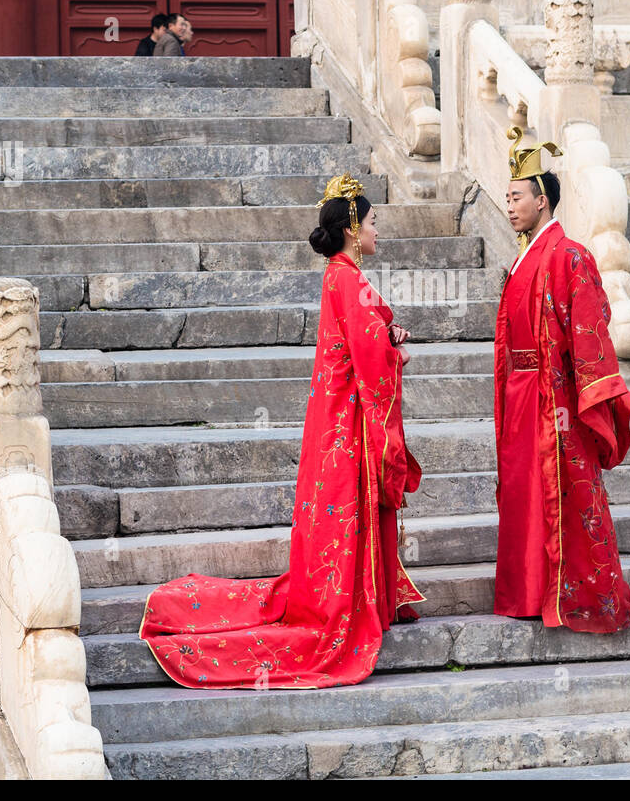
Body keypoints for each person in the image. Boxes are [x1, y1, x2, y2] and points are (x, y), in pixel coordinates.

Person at [139, 174, 424, 688]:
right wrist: (395, 349)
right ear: (354, 229)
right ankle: (348, 607)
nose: (379, 231)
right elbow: (371, 358)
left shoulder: (339, 276)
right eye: (374, 222)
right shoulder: (349, 279)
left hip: (334, 421)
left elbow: (365, 335)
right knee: (344, 526)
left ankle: (362, 598)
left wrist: (386, 333)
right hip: (348, 428)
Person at [492, 126, 630, 634]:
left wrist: (587, 395)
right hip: (518, 397)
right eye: (507, 197)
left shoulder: (570, 255)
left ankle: (576, 595)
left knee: (562, 498)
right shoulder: (521, 259)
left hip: (552, 397)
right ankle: (528, 593)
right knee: (521, 497)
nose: (509, 206)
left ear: (542, 199)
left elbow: (589, 327)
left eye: (517, 197)